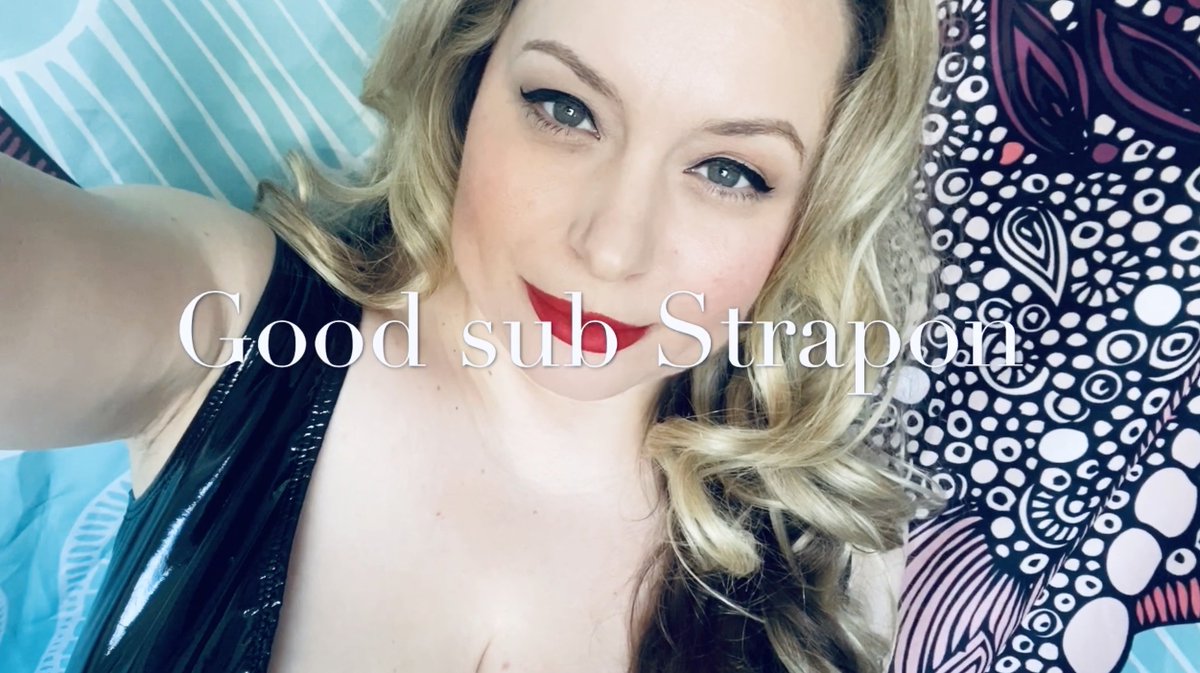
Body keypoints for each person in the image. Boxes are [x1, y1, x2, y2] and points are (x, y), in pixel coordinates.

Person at [0, 0, 942, 670]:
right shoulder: (230, 321)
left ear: (810, 215)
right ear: (468, 74)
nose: (611, 247)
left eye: (730, 171)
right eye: (565, 108)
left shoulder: (834, 570)